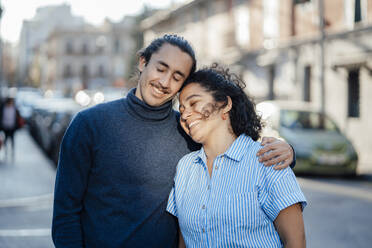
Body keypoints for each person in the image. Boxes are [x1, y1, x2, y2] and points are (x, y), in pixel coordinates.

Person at [52, 35, 296, 247]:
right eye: (161, 68)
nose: (165, 82)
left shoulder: (190, 130)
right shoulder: (89, 124)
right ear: (143, 62)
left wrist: (288, 153)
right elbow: (65, 215)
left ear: (182, 85)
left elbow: (238, 152)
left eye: (177, 76)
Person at [167, 65, 306, 247]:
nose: (184, 114)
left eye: (194, 103)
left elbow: (296, 242)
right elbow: (184, 242)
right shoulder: (185, 167)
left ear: (225, 104)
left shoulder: (266, 159)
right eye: (182, 108)